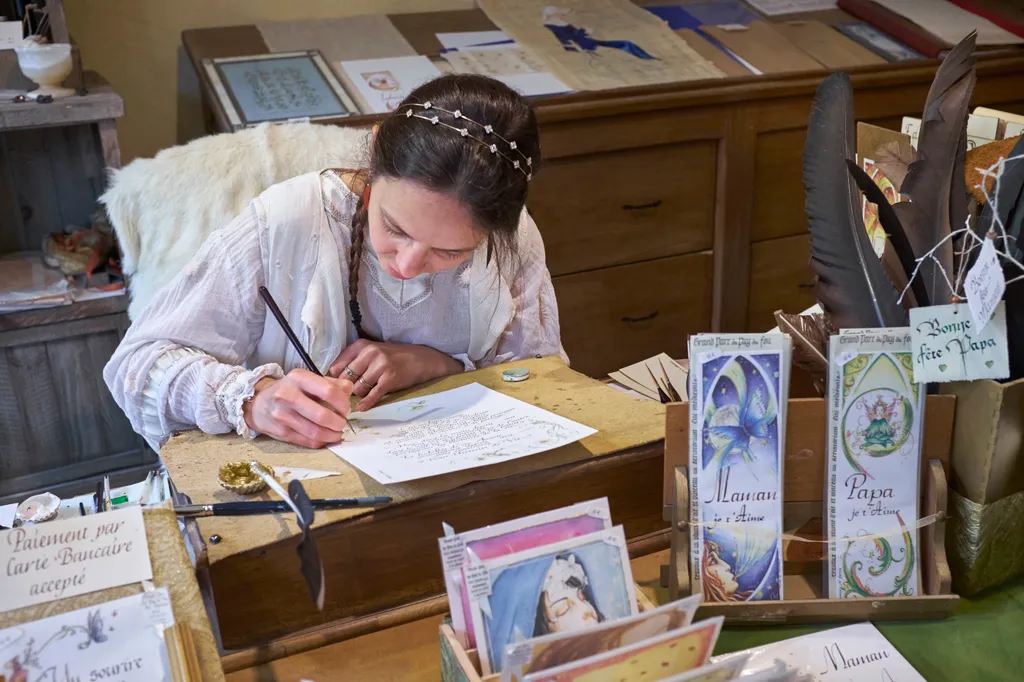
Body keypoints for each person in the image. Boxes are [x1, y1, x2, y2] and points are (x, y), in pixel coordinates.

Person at [104, 74, 566, 451]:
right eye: (396, 228)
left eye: (450, 253)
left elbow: (539, 381)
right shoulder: (287, 220)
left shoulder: (510, 238)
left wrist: (433, 364)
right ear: (373, 151)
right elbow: (137, 365)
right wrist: (252, 400)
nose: (406, 265)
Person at [542, 6, 657, 61]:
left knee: (625, 43)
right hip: (585, 45)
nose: (562, 15)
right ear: (553, 15)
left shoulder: (559, 24)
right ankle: (647, 59)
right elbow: (570, 38)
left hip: (587, 42)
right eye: (560, 14)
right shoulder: (555, 26)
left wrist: (583, 31)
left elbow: (573, 35)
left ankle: (647, 58)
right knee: (624, 44)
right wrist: (584, 31)